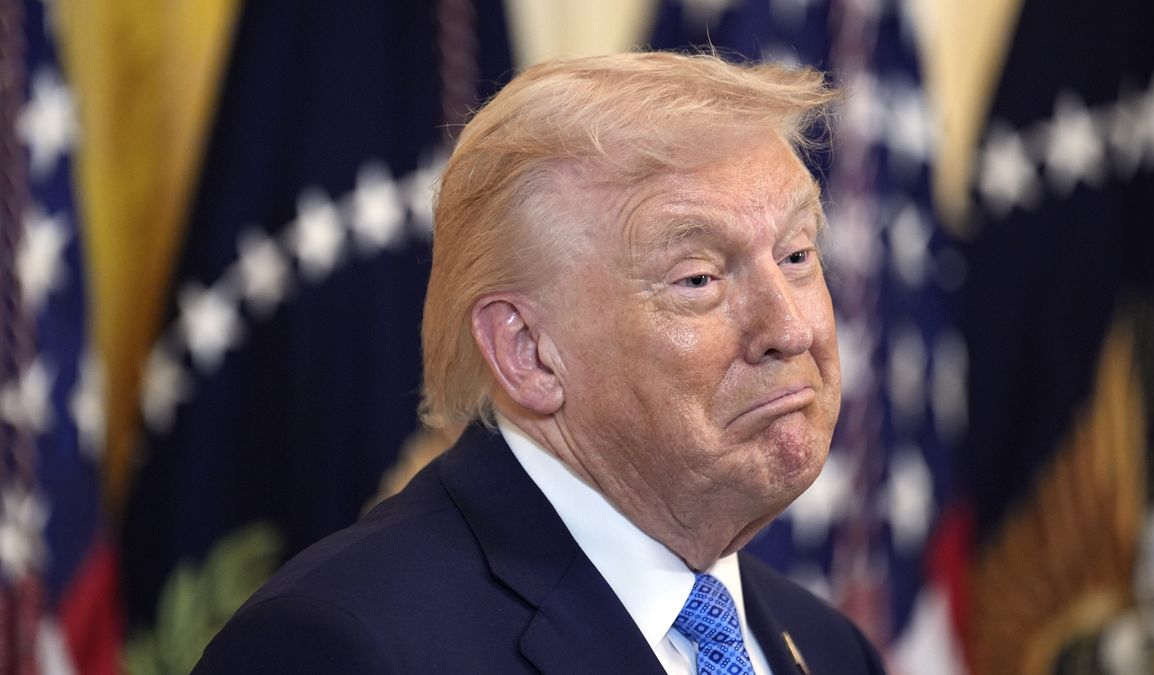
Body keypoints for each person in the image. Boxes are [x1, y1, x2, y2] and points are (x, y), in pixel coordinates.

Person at [194, 51, 886, 674]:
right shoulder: (342, 646)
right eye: (699, 279)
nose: (791, 328)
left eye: (797, 255)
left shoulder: (826, 647)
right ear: (527, 353)